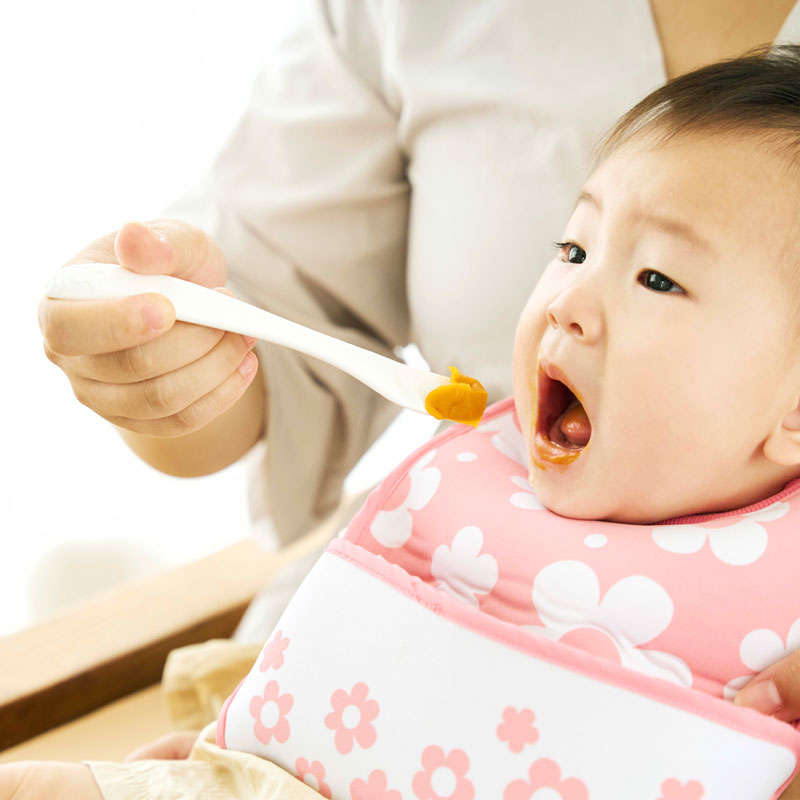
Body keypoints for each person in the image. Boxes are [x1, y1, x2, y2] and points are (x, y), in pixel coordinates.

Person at [13, 41, 800, 799]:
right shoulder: (483, 464)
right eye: (573, 248)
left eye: (657, 278)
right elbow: (263, 324)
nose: (568, 302)